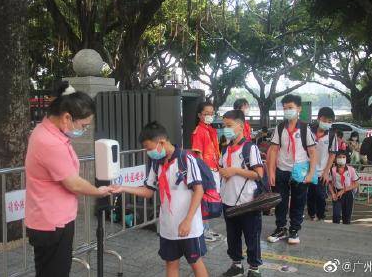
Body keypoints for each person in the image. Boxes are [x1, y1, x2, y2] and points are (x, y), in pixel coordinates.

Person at [25, 84, 112, 277]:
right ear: (66, 117)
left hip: (54, 218)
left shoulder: (48, 132)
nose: (84, 129)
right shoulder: (50, 142)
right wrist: (99, 191)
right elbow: (73, 182)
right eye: (83, 125)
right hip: (51, 223)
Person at [110, 122, 208, 277]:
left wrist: (188, 220)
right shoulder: (157, 163)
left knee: (195, 262)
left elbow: (199, 190)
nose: (149, 152)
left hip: (190, 227)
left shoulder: (186, 159)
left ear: (161, 142)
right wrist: (123, 188)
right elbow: (149, 191)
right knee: (170, 262)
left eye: (149, 148)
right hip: (168, 226)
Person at [266, 94, 317, 245]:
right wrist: (271, 171)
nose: (287, 111)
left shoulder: (305, 128)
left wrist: (311, 173)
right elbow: (274, 150)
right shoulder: (280, 127)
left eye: (290, 108)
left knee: (298, 202)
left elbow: (313, 152)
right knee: (280, 201)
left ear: (299, 109)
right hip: (282, 170)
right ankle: (281, 228)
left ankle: (294, 229)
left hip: (299, 171)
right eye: (285, 108)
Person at [219, 110, 264, 277]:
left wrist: (235, 171)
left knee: (252, 236)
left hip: (248, 201)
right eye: (224, 126)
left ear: (240, 126)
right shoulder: (225, 149)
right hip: (228, 200)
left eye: (229, 126)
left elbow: (259, 174)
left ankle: (254, 268)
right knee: (232, 236)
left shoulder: (250, 148)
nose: (226, 129)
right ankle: (236, 265)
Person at [191, 101, 221, 242]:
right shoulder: (199, 131)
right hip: (207, 171)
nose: (209, 116)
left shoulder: (211, 130)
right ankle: (203, 230)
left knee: (210, 201)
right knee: (205, 202)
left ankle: (207, 228)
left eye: (211, 113)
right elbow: (198, 155)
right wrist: (205, 173)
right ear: (199, 115)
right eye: (206, 114)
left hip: (214, 169)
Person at [307, 107, 338, 221]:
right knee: (310, 195)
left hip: (321, 172)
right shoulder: (308, 131)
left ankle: (321, 215)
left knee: (320, 195)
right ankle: (311, 214)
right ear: (318, 118)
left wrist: (326, 172)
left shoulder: (331, 135)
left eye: (330, 122)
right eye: (324, 120)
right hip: (308, 170)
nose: (326, 123)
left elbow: (332, 154)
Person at [329, 150, 359, 224]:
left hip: (348, 194)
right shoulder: (332, 170)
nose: (341, 159)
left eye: (343, 157)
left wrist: (344, 190)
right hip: (337, 194)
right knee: (336, 215)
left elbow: (356, 184)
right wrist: (332, 193)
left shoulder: (351, 169)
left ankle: (346, 232)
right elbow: (330, 183)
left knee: (347, 216)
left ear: (346, 158)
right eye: (339, 157)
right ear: (336, 159)